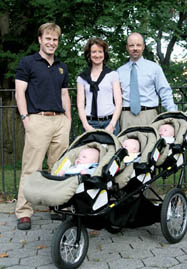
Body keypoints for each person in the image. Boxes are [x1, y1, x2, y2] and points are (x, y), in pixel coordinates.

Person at [15, 23, 71, 230]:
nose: (51, 42)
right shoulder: (28, 62)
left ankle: (55, 206)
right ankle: (23, 211)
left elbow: (65, 94)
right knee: (31, 168)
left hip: (59, 122)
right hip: (37, 120)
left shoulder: (62, 66)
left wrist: (68, 119)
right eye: (48, 38)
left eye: (55, 39)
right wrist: (25, 119)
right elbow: (19, 92)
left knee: (58, 168)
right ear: (40, 39)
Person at [117, 32, 177, 130]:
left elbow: (165, 92)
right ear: (127, 47)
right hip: (126, 117)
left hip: (149, 115)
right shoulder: (119, 72)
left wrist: (173, 114)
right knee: (126, 145)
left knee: (151, 145)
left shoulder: (154, 68)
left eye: (138, 45)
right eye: (131, 45)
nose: (135, 48)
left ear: (143, 47)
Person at [77, 38, 122, 135]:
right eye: (94, 52)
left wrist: (112, 125)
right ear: (89, 54)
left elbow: (118, 102)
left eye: (100, 52)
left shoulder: (112, 75)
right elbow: (80, 105)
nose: (97, 55)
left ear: (104, 54)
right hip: (90, 123)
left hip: (109, 122)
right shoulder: (82, 78)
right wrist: (86, 125)